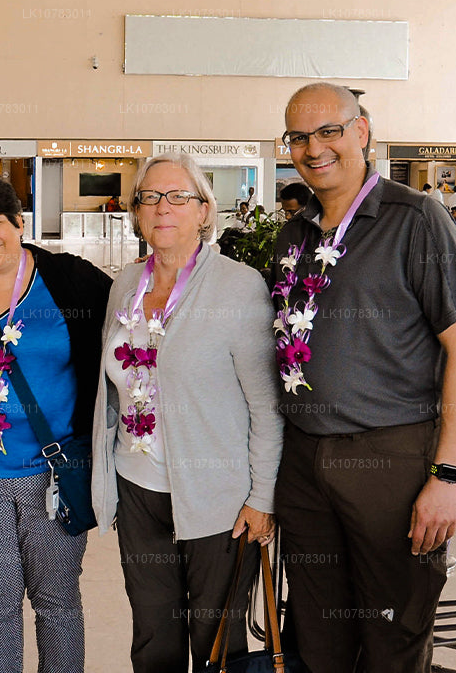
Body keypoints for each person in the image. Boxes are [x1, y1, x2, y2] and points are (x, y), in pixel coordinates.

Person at [270, 83, 456, 673]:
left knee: (394, 626)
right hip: (303, 461)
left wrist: (447, 475)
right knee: (314, 631)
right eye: (298, 137)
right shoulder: (296, 232)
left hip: (390, 458)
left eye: (328, 131)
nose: (313, 148)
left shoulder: (416, 219)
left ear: (361, 131)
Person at [91, 152, 283, 671]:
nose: (162, 207)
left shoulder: (237, 286)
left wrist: (262, 497)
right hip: (138, 489)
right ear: (135, 212)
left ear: (205, 210)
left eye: (179, 196)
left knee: (215, 635)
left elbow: (266, 408)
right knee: (154, 633)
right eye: (149, 197)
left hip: (219, 500)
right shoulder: (125, 286)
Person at [0, 176, 111, 673]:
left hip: (52, 473)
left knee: (56, 603)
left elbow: (131, 315)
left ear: (19, 223)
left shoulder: (68, 279)